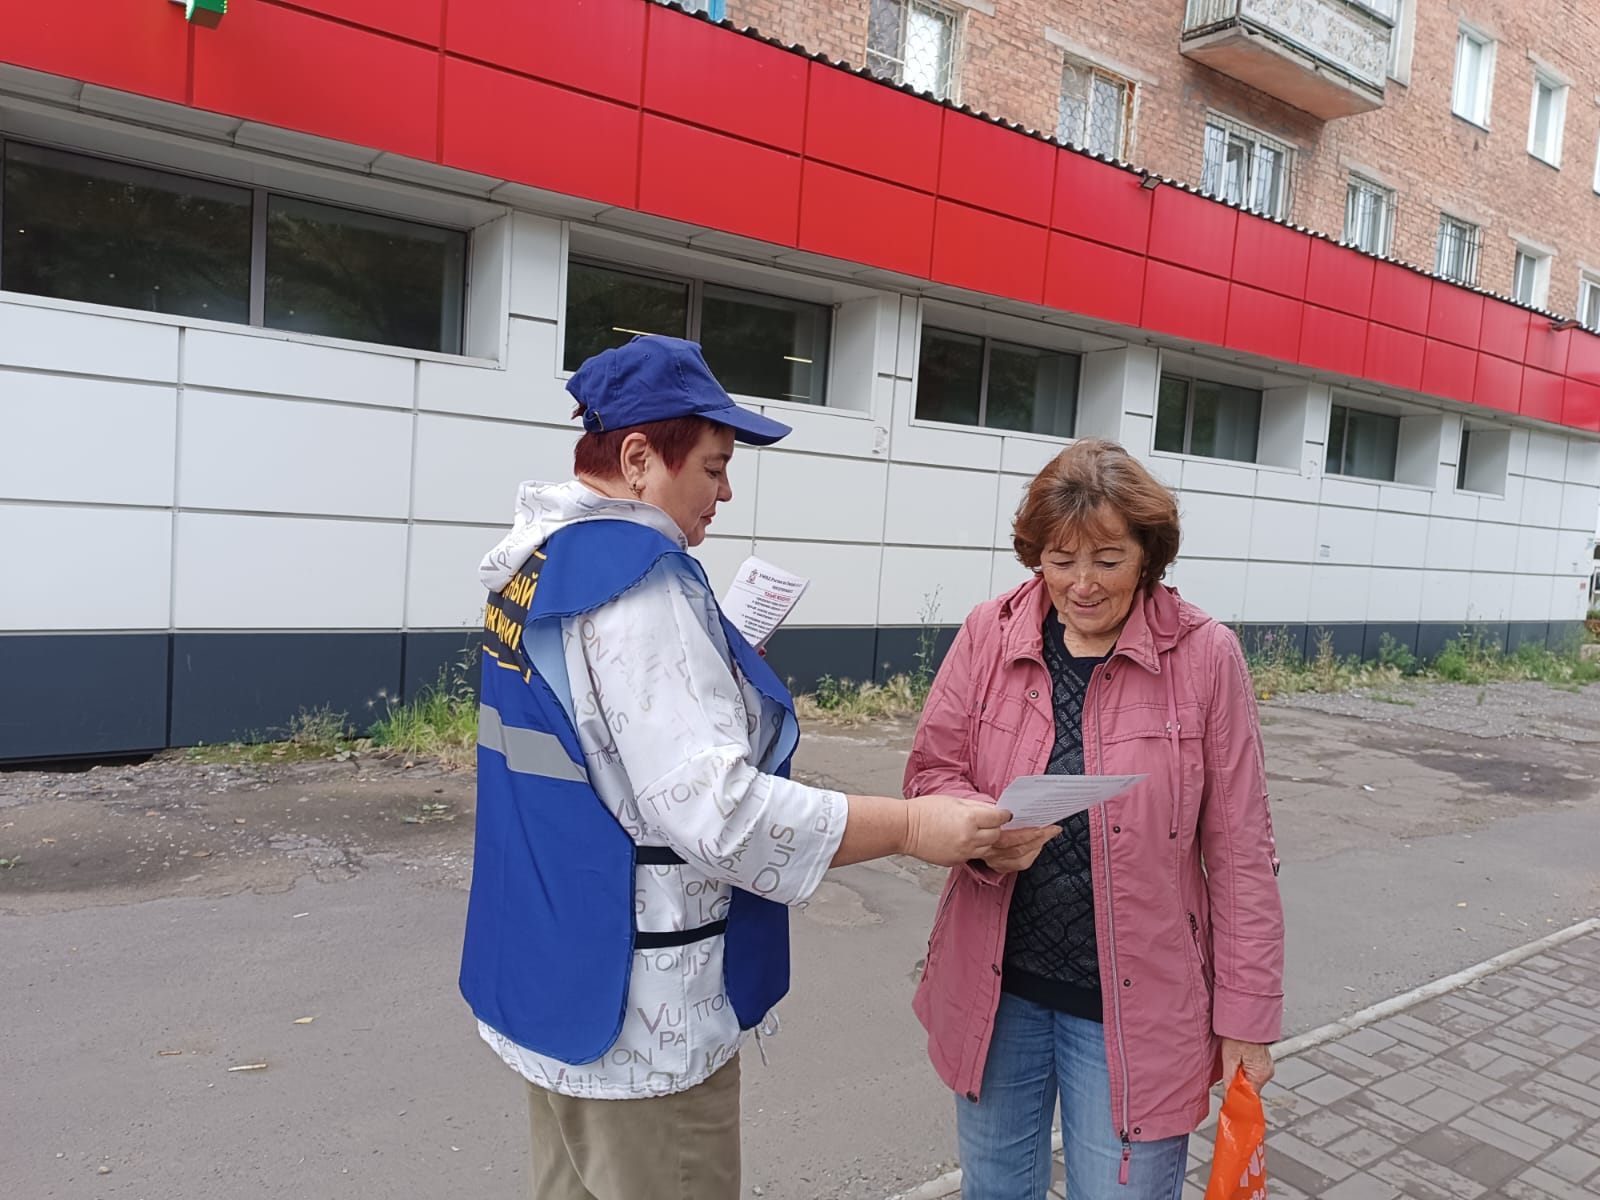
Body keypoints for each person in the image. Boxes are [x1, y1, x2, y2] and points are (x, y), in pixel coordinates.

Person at [459, 334, 1011, 1200]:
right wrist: (912, 826)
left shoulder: (537, 562)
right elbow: (722, 816)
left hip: (559, 977)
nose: (725, 490)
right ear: (639, 457)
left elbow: (590, 737)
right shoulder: (640, 591)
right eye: (713, 467)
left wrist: (706, 675)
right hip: (642, 1021)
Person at [905, 438, 1284, 1200]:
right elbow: (930, 773)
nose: (1081, 584)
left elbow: (1242, 848)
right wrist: (983, 830)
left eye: (1107, 560)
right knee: (994, 1189)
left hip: (1137, 1008)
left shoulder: (1206, 657)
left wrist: (1248, 1014)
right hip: (998, 987)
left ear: (1149, 554)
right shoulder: (989, 633)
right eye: (1059, 560)